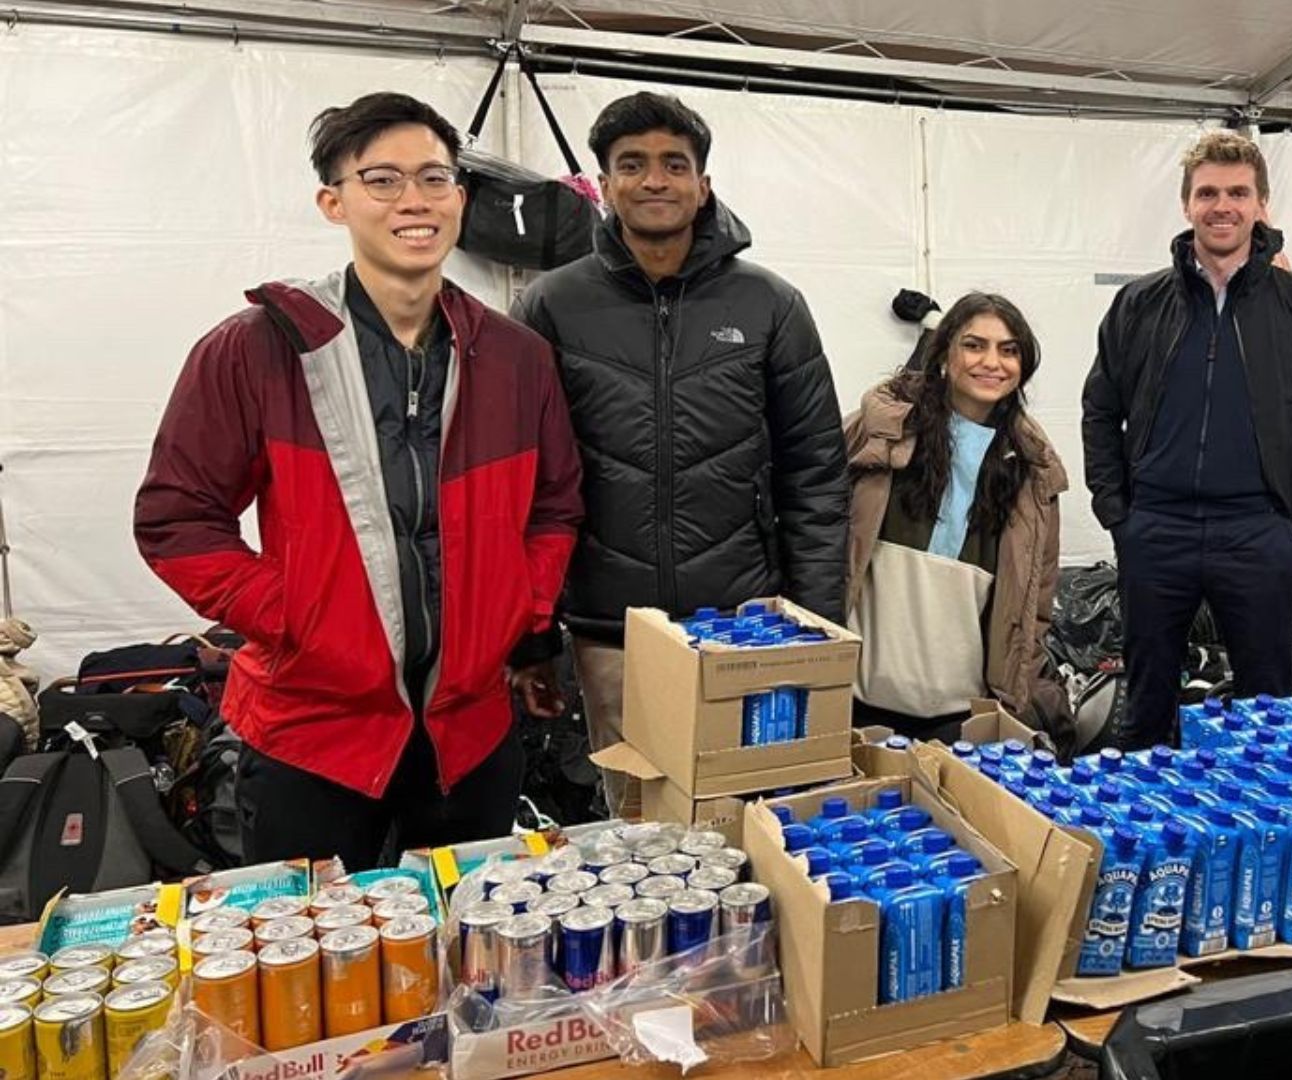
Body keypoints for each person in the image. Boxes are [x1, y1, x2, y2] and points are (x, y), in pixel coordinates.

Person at [134, 93, 584, 868]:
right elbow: (178, 521)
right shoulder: (257, 350)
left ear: (461, 198)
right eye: (382, 179)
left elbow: (554, 507)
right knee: (318, 965)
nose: (414, 200)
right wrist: (293, 613)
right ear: (333, 201)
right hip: (314, 735)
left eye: (435, 178)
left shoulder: (517, 358)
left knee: (465, 952)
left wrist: (520, 609)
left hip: (470, 732)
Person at [509, 92, 848, 813]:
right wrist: (531, 638)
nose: (654, 180)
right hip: (612, 630)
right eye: (632, 165)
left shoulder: (770, 305)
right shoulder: (551, 306)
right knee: (641, 822)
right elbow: (524, 484)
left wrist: (817, 628)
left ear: (704, 184)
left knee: (760, 818)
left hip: (746, 627)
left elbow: (815, 473)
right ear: (605, 186)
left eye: (674, 164)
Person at [1081, 131, 1292, 750]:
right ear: (1186, 205)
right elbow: (1100, 408)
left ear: (1262, 205)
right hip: (1157, 529)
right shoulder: (1139, 303)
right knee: (1147, 701)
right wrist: (1117, 512)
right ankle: (1147, 832)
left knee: (1265, 708)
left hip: (1260, 532)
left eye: (1238, 192)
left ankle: (1259, 835)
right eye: (1208, 192)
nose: (1221, 205)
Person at [844, 293, 1070, 744]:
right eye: (974, 345)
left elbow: (1037, 598)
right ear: (944, 353)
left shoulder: (1033, 472)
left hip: (961, 716)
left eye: (1009, 350)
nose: (992, 362)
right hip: (856, 703)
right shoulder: (876, 433)